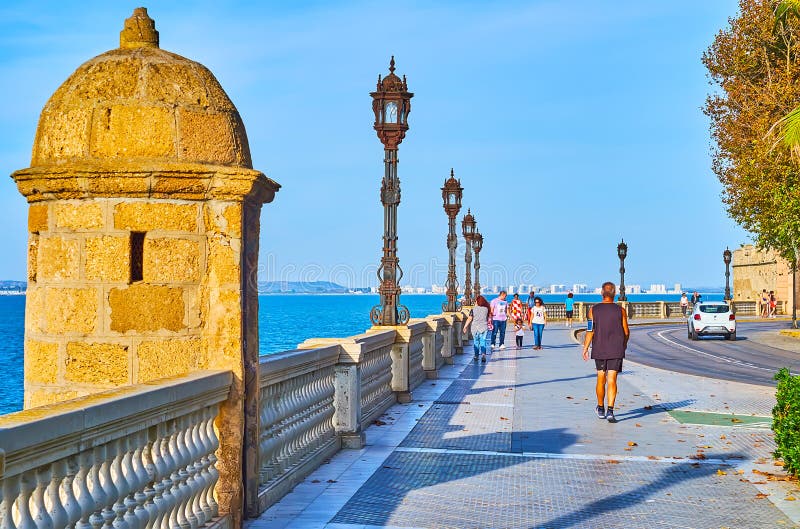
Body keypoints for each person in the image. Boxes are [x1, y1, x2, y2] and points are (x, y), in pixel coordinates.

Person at [581, 282, 630, 423]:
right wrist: (623, 345)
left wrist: (585, 348)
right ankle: (610, 411)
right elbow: (626, 332)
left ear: (602, 293)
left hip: (599, 349)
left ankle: (600, 408)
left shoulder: (593, 310)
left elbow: (590, 331)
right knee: (612, 379)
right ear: (614, 294)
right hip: (616, 349)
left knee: (601, 378)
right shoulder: (621, 311)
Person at [463, 295, 491, 363]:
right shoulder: (486, 309)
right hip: (484, 327)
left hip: (475, 328)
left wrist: (465, 326)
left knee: (476, 342)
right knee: (483, 341)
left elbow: (470, 318)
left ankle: (476, 355)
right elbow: (488, 318)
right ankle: (483, 355)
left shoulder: (473, 309)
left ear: (477, 301)